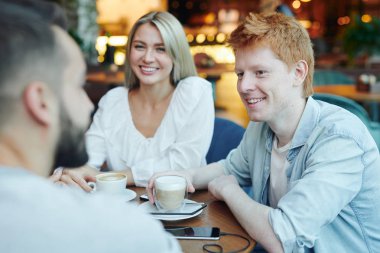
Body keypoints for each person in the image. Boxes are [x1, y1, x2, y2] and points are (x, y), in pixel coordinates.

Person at [147, 12, 380, 253]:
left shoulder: (339, 139)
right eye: (240, 74)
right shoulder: (262, 125)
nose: (244, 86)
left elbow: (282, 239)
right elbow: (231, 168)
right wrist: (186, 176)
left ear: (298, 73)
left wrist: (230, 191)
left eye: (260, 72)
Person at [0, 1, 181, 252]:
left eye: (160, 48)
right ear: (41, 102)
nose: (88, 104)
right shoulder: (129, 232)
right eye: (78, 86)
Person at [55, 11, 215, 191]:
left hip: (186, 210)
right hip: (123, 210)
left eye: (160, 49)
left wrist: (114, 177)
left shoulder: (195, 91)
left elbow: (183, 164)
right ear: (129, 50)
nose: (147, 58)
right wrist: (69, 172)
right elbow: (87, 158)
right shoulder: (113, 100)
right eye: (140, 46)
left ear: (176, 54)